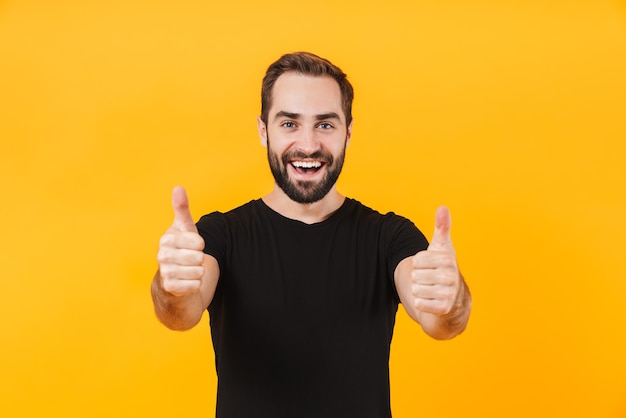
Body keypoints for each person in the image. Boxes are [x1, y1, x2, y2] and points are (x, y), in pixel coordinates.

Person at [151, 51, 472, 418]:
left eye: (325, 124)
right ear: (263, 130)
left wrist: (452, 298)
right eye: (289, 123)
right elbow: (181, 313)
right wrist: (171, 285)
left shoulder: (389, 237)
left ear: (348, 132)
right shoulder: (222, 235)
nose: (307, 145)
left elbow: (440, 322)